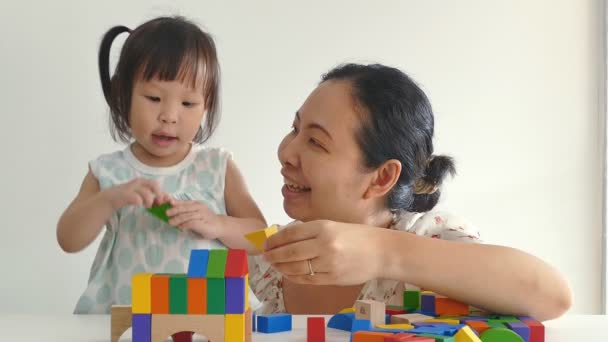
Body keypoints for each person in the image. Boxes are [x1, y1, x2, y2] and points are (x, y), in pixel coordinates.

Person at [251, 63, 572, 321]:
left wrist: (381, 252)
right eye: (295, 129)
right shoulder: (274, 257)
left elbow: (552, 296)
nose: (286, 153)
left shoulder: (429, 237)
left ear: (382, 177)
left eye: (315, 142)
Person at [56, 16, 266, 314]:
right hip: (128, 318)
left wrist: (217, 224)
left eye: (188, 103)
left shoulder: (216, 166)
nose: (169, 115)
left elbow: (259, 236)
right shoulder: (107, 171)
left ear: (206, 105)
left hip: (206, 320)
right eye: (154, 97)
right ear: (122, 94)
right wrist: (110, 199)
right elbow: (68, 238)